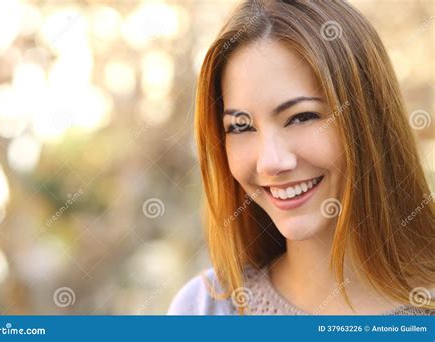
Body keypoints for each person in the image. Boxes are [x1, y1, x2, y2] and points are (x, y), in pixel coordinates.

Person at [168, 0, 435, 315]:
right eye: (240, 126)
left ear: (369, 118)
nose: (271, 161)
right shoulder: (203, 309)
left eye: (301, 117)